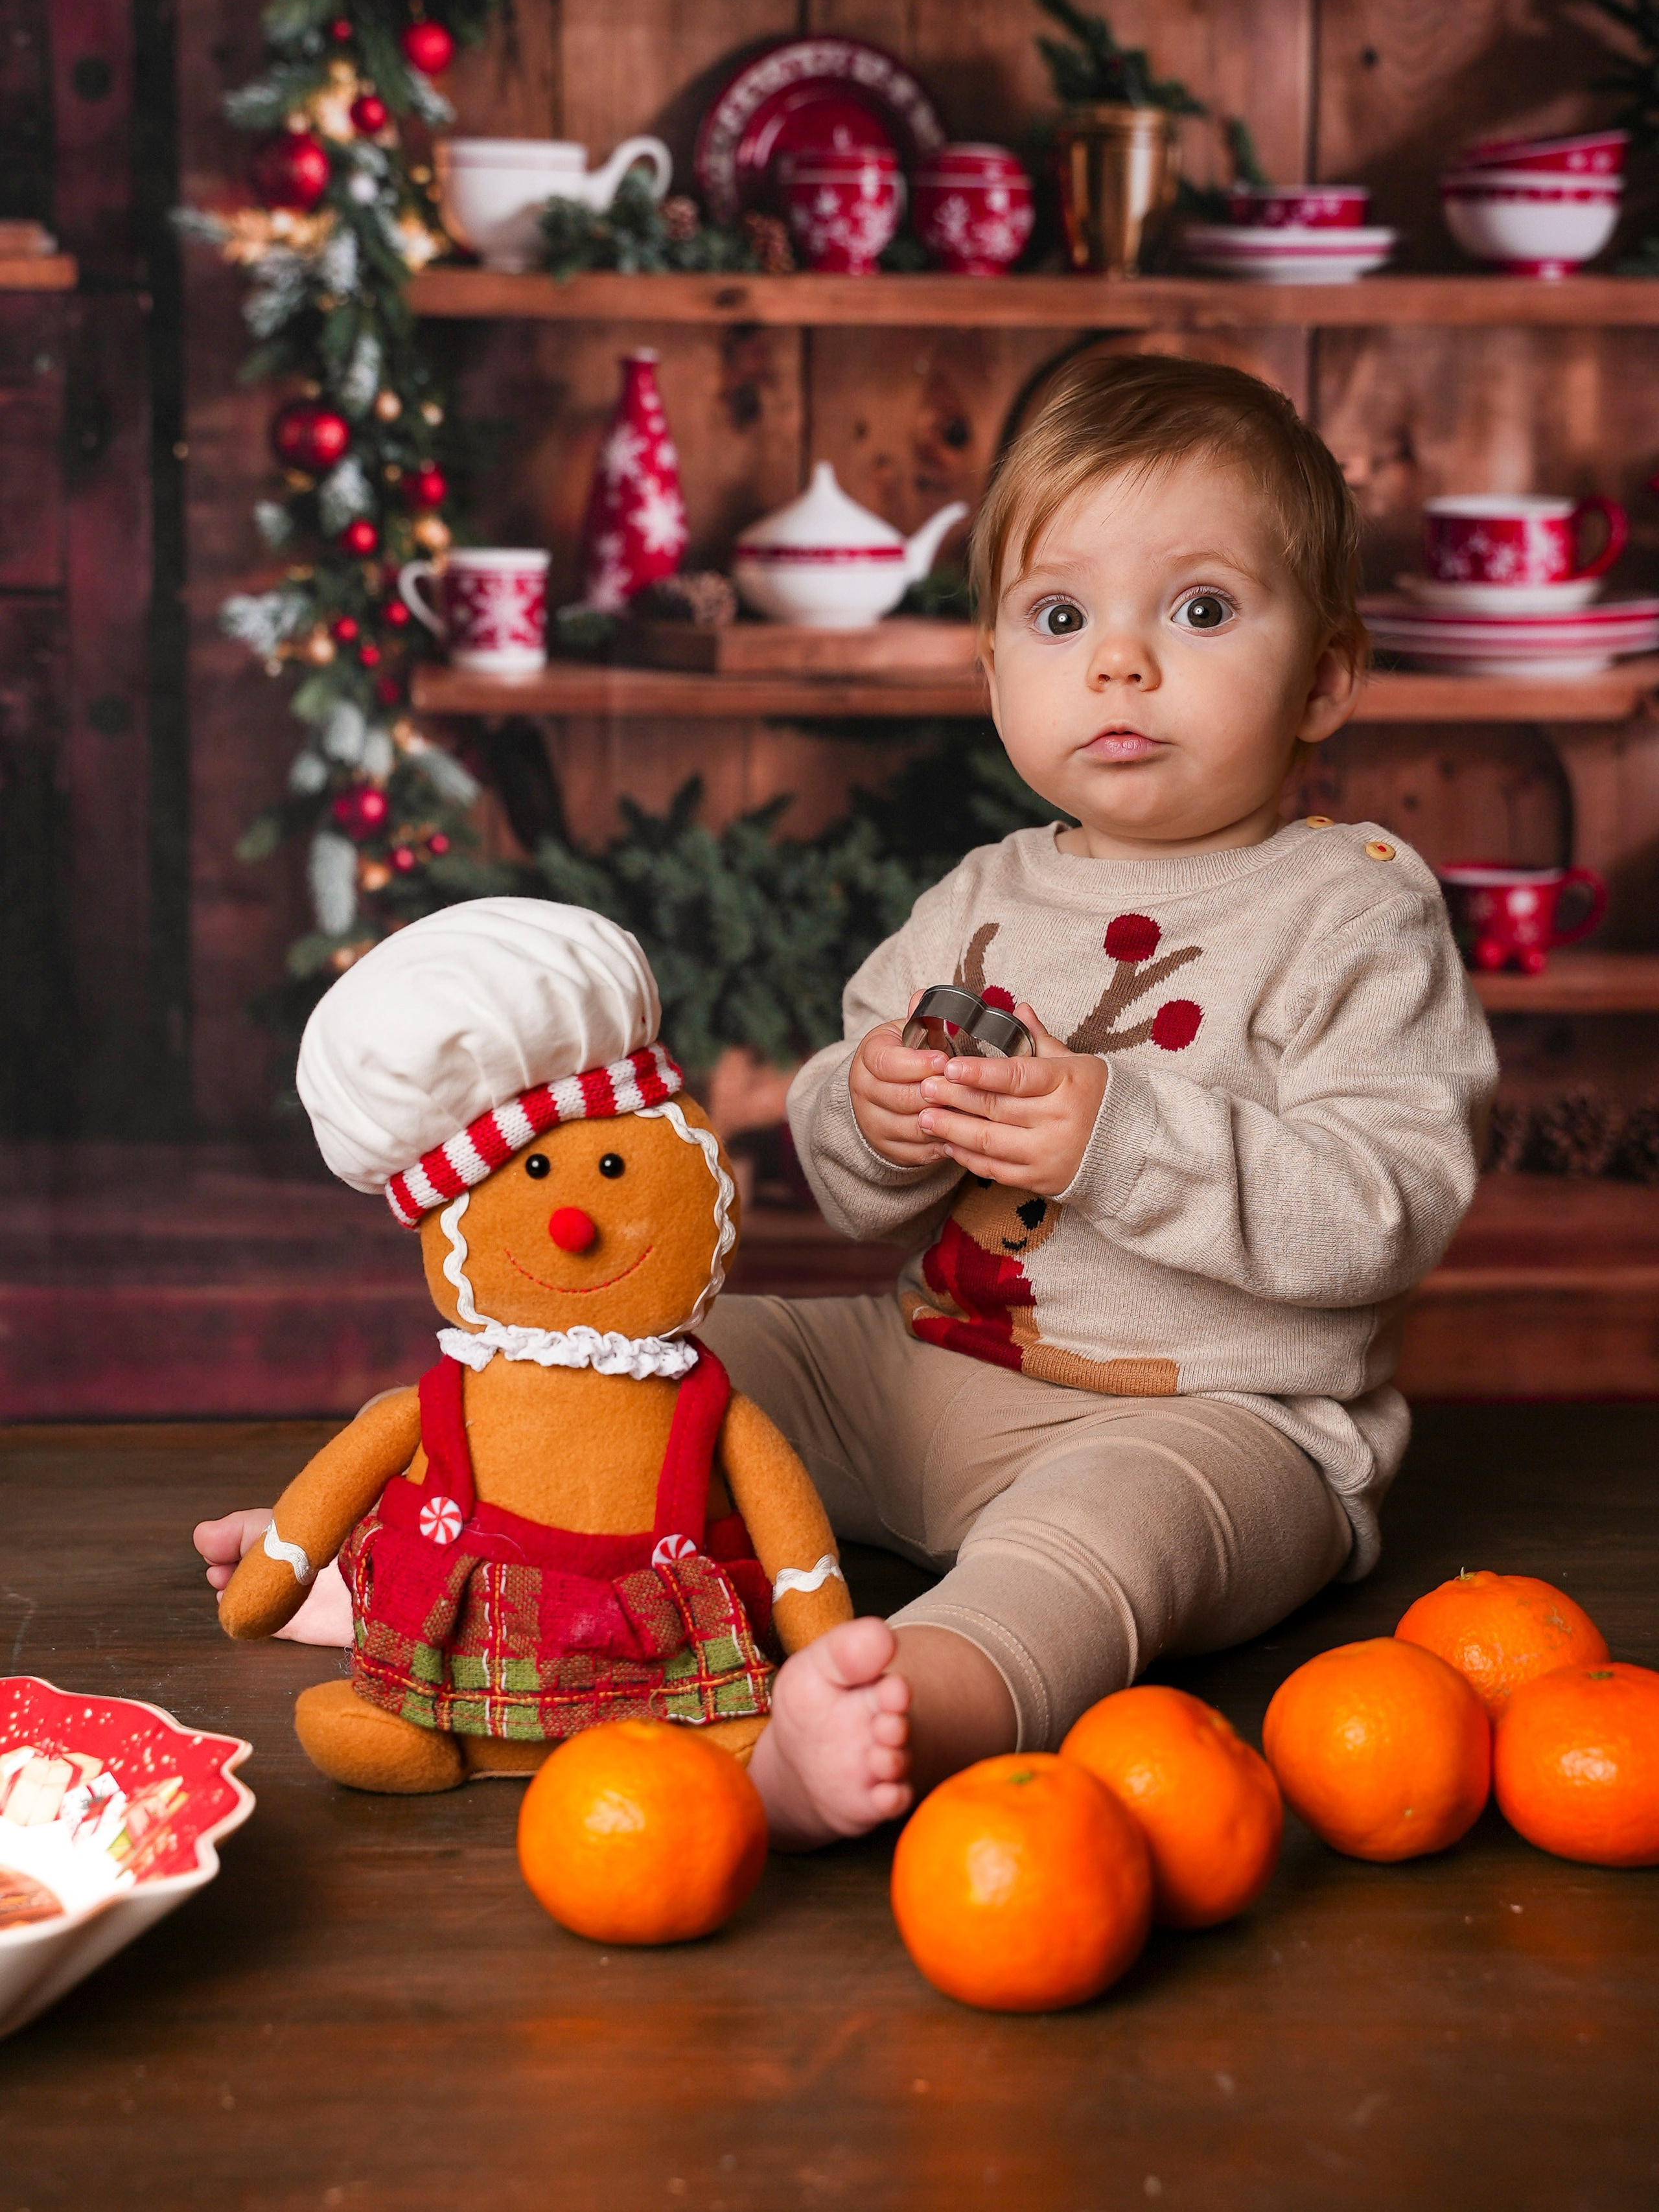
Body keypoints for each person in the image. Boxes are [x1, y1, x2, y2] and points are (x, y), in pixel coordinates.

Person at [199, 351, 1496, 1852]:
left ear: (1325, 673)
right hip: (918, 1371)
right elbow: (844, 1172)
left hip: (1214, 1424)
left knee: (1095, 1551)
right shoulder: (978, 898)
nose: (1119, 664)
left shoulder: (1350, 910)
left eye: (1198, 611)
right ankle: (401, 1559)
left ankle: (906, 1709)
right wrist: (869, 1118)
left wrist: (1113, 1136)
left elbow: (1384, 1211)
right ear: (993, 671)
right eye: (1059, 618)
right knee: (665, 1365)